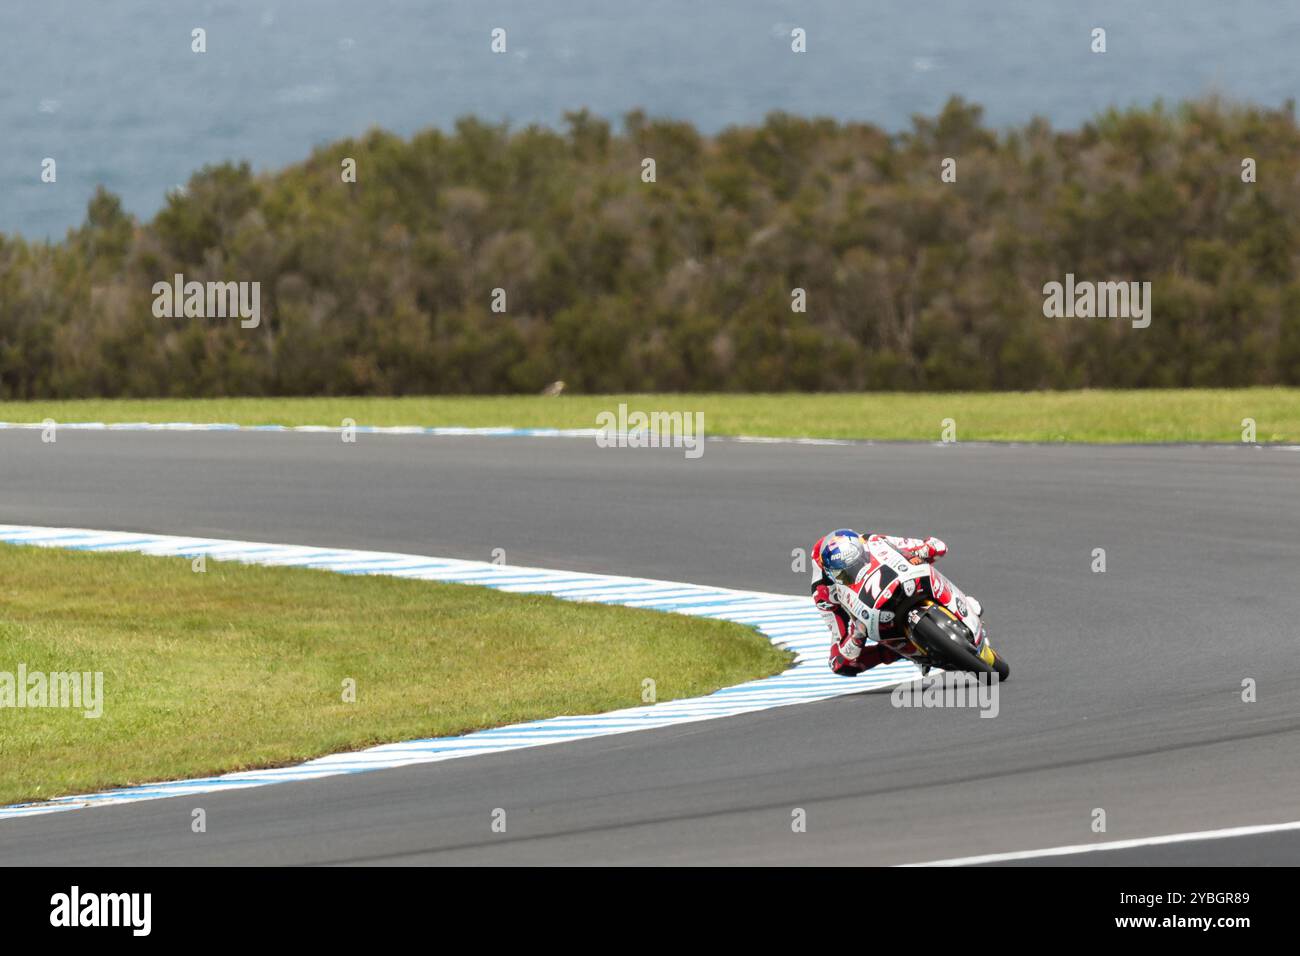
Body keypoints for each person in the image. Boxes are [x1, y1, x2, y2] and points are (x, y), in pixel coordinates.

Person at [810, 528, 975, 676]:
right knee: (840, 665)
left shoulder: (872, 541)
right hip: (864, 610)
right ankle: (900, 652)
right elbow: (840, 642)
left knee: (926, 563)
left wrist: (923, 551)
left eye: (858, 562)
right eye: (844, 574)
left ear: (862, 550)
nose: (852, 572)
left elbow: (935, 547)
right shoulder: (823, 592)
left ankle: (957, 603)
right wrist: (856, 635)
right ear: (831, 575)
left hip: (897, 583)